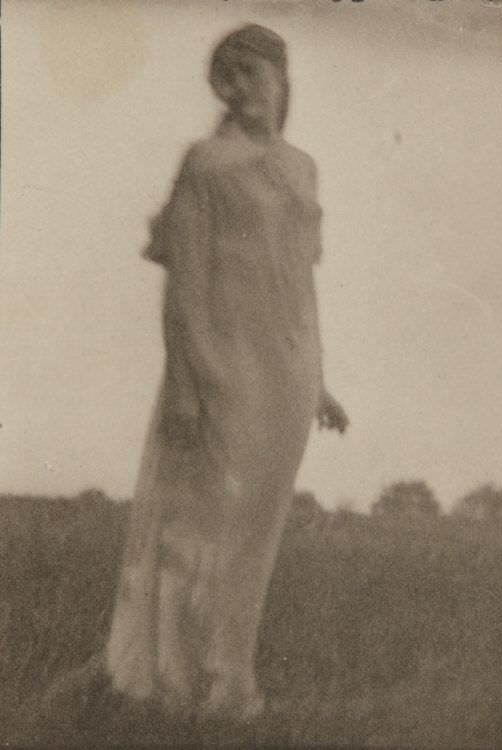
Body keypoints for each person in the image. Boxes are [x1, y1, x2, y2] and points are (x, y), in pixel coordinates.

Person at [105, 24, 348, 725]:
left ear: (279, 76)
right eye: (223, 77)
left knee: (255, 530)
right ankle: (185, 684)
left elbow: (301, 285)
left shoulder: (303, 168)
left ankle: (230, 679)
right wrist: (184, 381)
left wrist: (320, 380)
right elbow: (182, 285)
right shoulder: (204, 163)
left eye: (247, 73)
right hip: (220, 363)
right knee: (207, 521)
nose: (234, 90)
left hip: (288, 371)